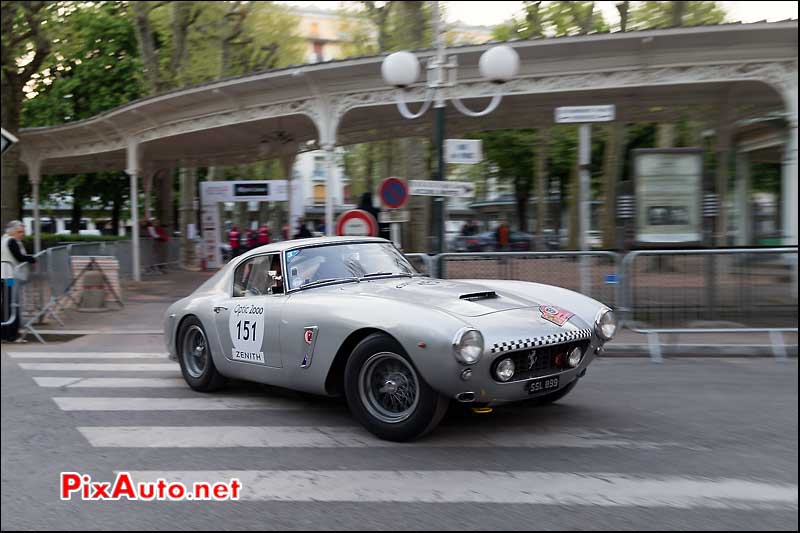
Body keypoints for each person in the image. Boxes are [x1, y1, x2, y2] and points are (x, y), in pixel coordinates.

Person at [1, 220, 37, 342]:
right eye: (19, 232)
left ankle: (5, 333)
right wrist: (32, 259)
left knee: (7, 304)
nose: (22, 234)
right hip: (9, 278)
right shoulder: (11, 241)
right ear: (12, 231)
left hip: (5, 276)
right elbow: (19, 257)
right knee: (12, 304)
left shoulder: (4, 240)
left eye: (22, 231)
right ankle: (12, 335)